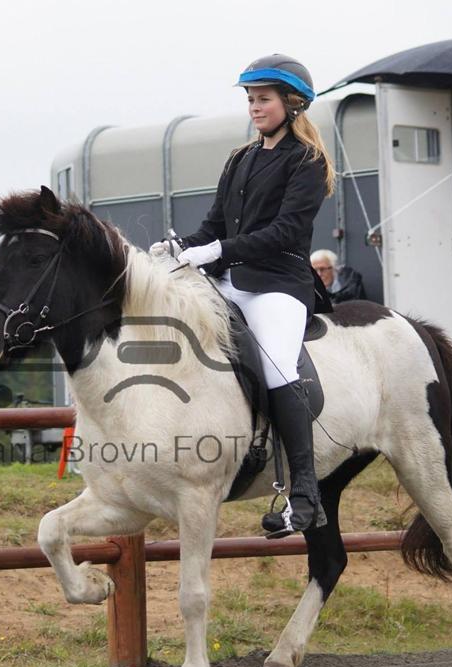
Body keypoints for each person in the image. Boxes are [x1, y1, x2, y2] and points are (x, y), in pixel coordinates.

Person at [150, 54, 334, 538]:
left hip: (279, 282)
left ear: (292, 104)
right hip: (230, 280)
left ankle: (306, 492)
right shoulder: (240, 159)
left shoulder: (307, 161)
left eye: (263, 99)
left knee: (276, 366)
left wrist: (217, 249)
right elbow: (213, 226)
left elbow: (286, 231)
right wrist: (180, 248)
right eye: (250, 99)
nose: (254, 107)